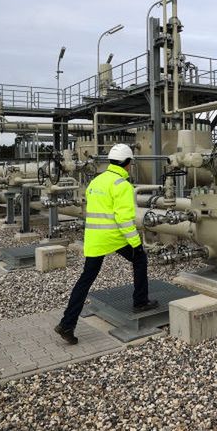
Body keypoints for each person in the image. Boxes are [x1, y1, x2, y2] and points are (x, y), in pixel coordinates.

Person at [55, 143, 156, 345]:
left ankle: (67, 323)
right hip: (114, 237)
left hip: (94, 238)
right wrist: (136, 244)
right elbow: (124, 220)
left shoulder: (96, 182)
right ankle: (140, 302)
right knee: (140, 259)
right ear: (127, 164)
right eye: (130, 164)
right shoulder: (122, 185)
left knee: (86, 279)